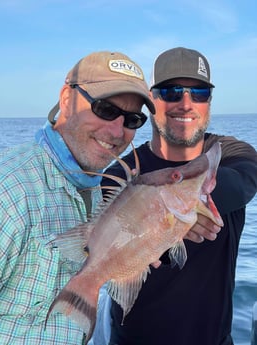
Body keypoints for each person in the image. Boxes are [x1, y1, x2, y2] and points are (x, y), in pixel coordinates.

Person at [100, 47, 257, 345]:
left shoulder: (233, 154)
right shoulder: (121, 175)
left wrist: (177, 205)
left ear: (209, 101)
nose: (186, 103)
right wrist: (166, 219)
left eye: (199, 92)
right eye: (171, 92)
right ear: (151, 100)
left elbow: (240, 184)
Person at [0, 51, 155, 345]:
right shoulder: (9, 190)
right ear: (66, 99)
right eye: (105, 109)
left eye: (133, 119)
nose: (117, 130)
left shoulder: (95, 188)